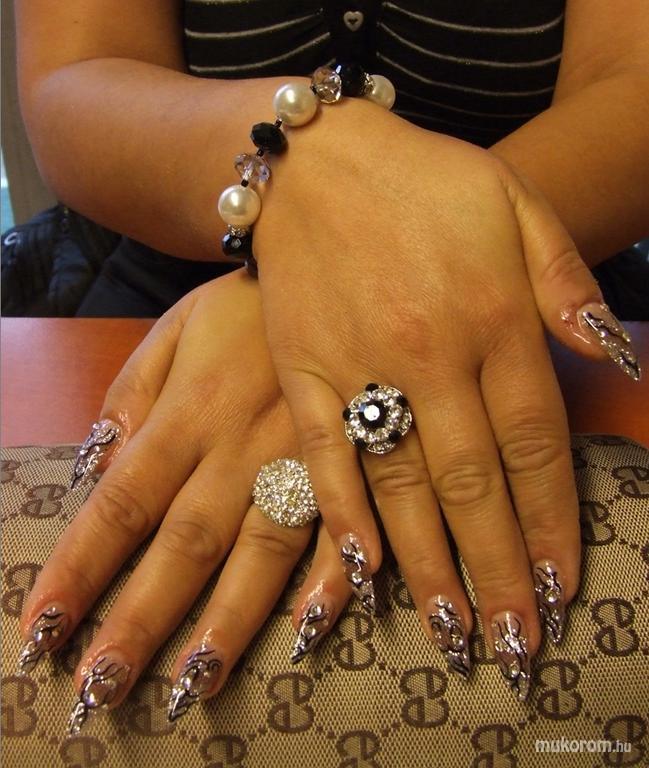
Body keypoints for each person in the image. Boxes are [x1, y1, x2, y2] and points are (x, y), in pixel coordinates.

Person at [14, 0, 647, 730]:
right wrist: (304, 174)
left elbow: (632, 83)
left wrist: (387, 271)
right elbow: (73, 81)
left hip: (526, 301)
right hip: (169, 305)